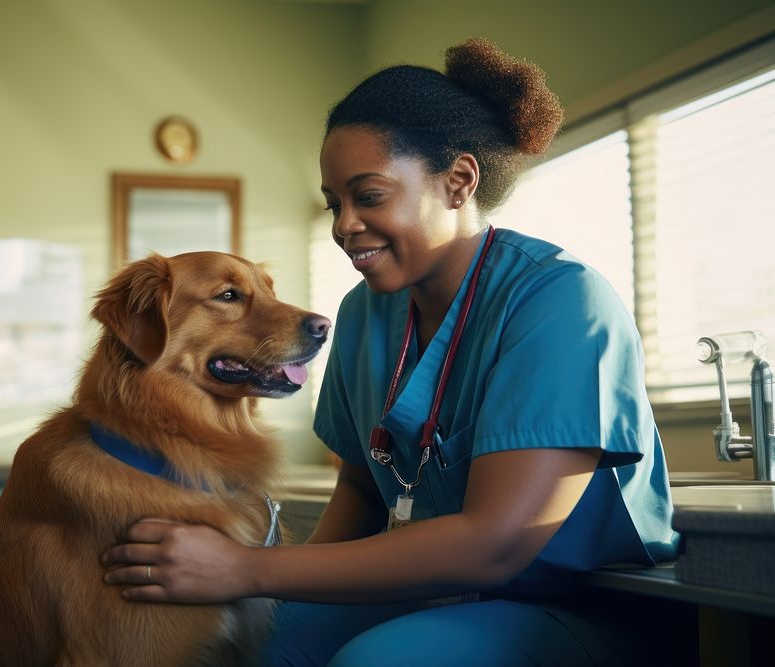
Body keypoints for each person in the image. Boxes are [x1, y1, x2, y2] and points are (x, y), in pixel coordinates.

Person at [104, 37, 679, 666]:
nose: (343, 224)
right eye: (334, 203)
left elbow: (497, 544)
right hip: (427, 593)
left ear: (459, 181)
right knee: (257, 647)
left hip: (570, 606)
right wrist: (267, 598)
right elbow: (361, 488)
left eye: (368, 196)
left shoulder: (559, 300)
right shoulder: (363, 312)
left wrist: (248, 570)